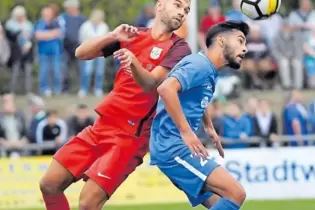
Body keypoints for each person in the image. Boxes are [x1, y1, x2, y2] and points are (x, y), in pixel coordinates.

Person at [39, 0, 191, 209]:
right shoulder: (132, 34)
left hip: (130, 136)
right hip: (102, 125)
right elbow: (81, 53)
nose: (182, 13)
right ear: (160, 5)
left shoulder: (179, 47)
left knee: (87, 203)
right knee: (49, 184)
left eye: (186, 10)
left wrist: (133, 61)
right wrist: (112, 36)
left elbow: (151, 84)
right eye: (178, 5)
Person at [150, 21, 248, 210]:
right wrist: (187, 132)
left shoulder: (207, 68)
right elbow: (166, 88)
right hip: (173, 147)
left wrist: (208, 126)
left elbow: (194, 98)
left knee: (219, 203)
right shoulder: (200, 65)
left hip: (175, 145)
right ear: (220, 41)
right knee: (236, 193)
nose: (245, 49)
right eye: (240, 41)